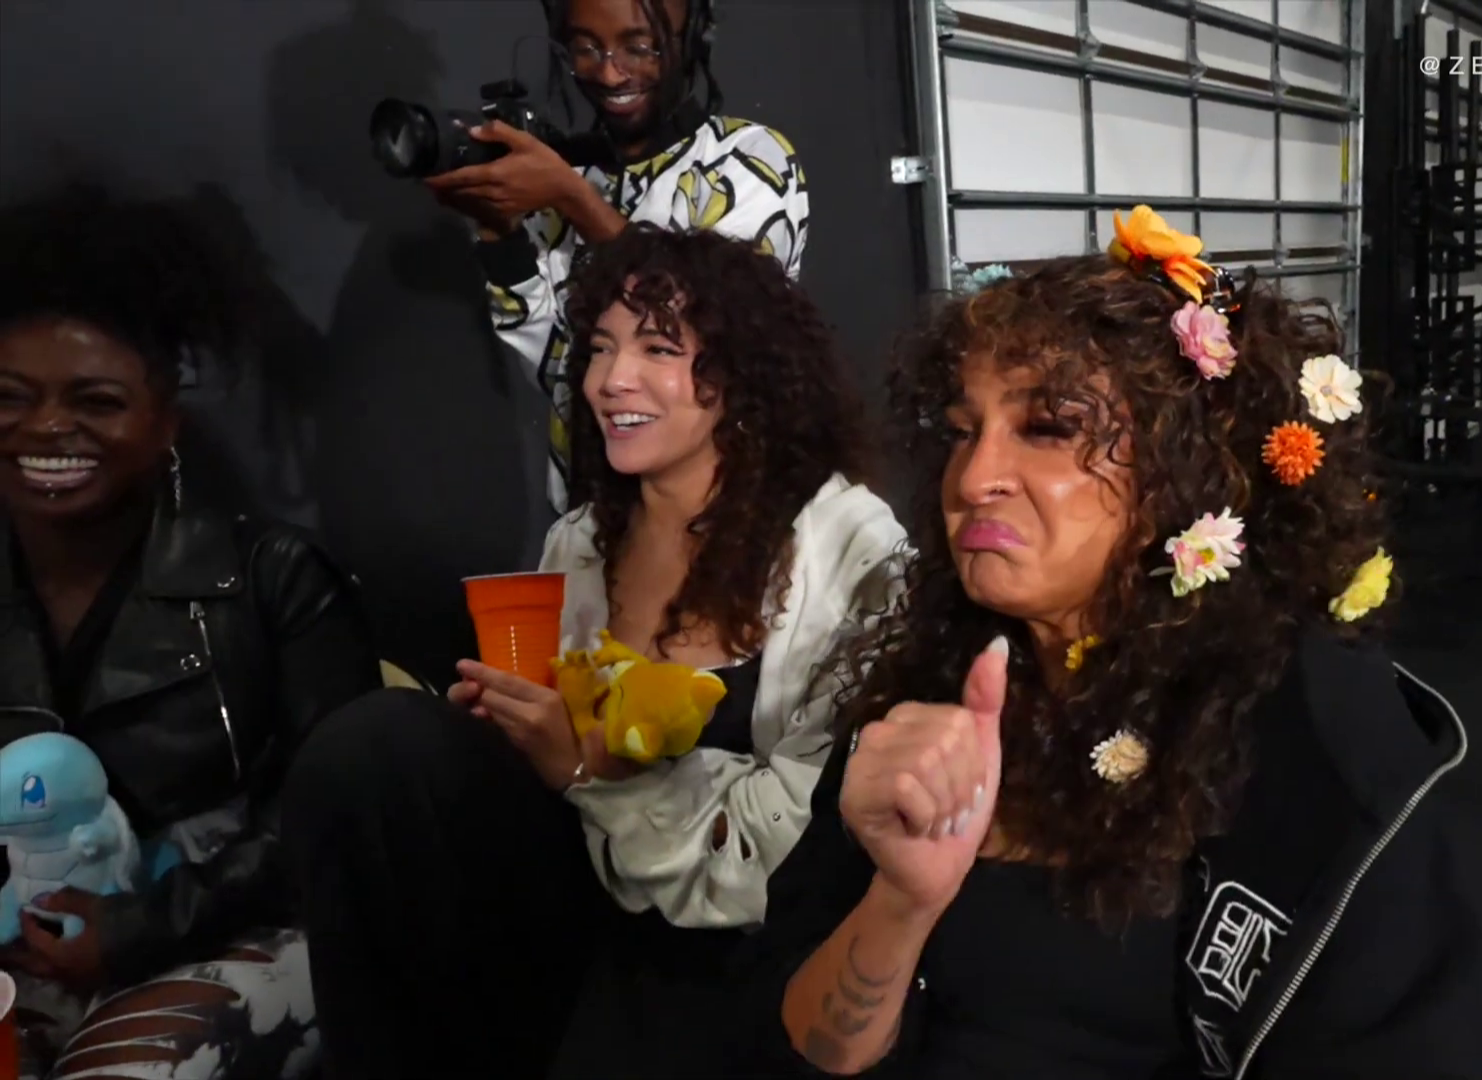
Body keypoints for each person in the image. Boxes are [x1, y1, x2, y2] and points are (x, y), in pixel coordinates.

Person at [744, 208, 1482, 1079]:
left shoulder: (1315, 743)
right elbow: (800, 1048)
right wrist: (902, 901)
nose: (974, 476)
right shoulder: (927, 689)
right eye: (962, 431)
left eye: (1049, 427)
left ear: (1189, 468)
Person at [283, 225, 907, 1080]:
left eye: (659, 348)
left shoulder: (848, 544)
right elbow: (547, 803)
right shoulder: (579, 541)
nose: (612, 381)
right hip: (574, 912)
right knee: (381, 749)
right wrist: (500, 740)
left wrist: (586, 771)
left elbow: (801, 838)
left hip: (743, 948)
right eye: (601, 348)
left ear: (744, 375)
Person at [0, 186, 382, 1078]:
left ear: (165, 418)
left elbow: (330, 820)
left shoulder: (273, 578)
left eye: (96, 400)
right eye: (10, 396)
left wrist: (141, 926)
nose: (47, 427)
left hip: (234, 940)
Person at [426, 0, 809, 514]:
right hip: (590, 514)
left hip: (721, 512)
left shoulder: (746, 160)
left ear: (693, 38)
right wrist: (499, 232)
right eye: (586, 48)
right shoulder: (569, 175)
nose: (610, 72)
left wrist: (573, 200)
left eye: (639, 47)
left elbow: (714, 326)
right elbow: (556, 363)